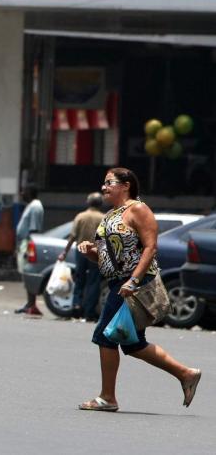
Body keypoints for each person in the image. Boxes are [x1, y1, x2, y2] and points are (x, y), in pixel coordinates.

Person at [76, 167, 201, 412]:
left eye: (109, 182)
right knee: (133, 344)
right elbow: (105, 258)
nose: (104, 187)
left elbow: (150, 248)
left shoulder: (138, 210)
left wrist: (133, 280)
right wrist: (90, 251)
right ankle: (186, 373)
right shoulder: (110, 215)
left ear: (126, 185)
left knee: (104, 336)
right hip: (117, 282)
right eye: (104, 183)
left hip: (133, 284)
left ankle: (107, 398)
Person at [58, 192, 105, 321]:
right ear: (100, 203)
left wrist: (64, 252)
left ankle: (76, 306)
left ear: (88, 203)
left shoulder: (80, 216)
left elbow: (72, 236)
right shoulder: (103, 218)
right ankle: (89, 312)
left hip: (81, 251)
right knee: (94, 281)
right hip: (96, 252)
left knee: (79, 279)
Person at [14, 185, 45, 316]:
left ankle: (31, 304)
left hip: (28, 242)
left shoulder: (35, 206)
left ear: (30, 192)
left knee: (28, 272)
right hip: (24, 243)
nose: (22, 193)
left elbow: (34, 229)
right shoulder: (31, 205)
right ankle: (29, 303)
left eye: (24, 191)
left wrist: (29, 248)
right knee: (25, 273)